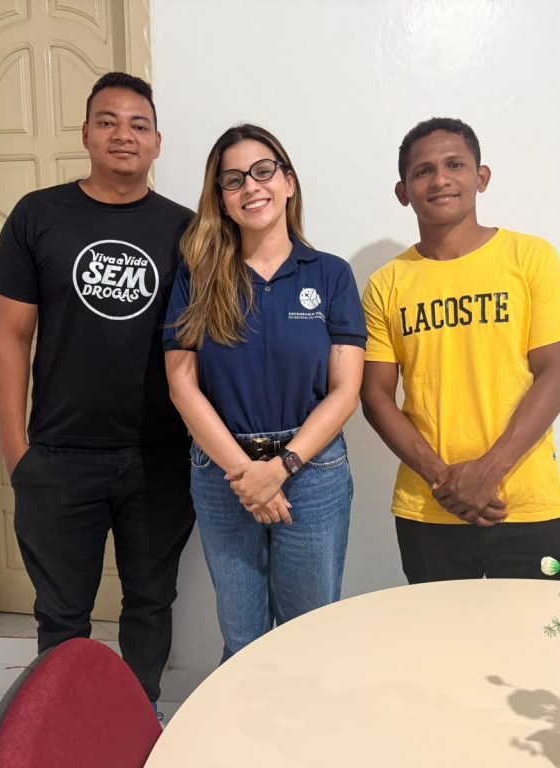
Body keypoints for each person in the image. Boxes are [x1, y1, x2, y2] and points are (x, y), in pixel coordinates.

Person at [0, 72, 194, 704]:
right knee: (61, 613)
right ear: (85, 134)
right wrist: (17, 451)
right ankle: (63, 724)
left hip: (159, 456)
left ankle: (140, 716)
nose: (123, 135)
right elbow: (10, 336)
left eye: (138, 124)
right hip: (58, 456)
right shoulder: (38, 215)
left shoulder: (188, 231)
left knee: (151, 601)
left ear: (157, 142)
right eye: (107, 121)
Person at [163, 124, 366, 660]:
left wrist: (281, 468)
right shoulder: (196, 276)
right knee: (243, 639)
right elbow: (182, 384)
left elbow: (346, 391)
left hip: (312, 471)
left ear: (289, 182)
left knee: (309, 635)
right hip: (222, 471)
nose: (251, 187)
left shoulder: (331, 275)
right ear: (221, 199)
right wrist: (245, 473)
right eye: (233, 180)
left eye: (263, 171)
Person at [361, 117, 560, 582]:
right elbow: (375, 396)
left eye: (455, 165)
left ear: (481, 177)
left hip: (526, 504)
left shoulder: (531, 258)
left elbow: (557, 373)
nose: (440, 179)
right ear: (403, 191)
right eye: (423, 171)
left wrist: (488, 472)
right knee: (439, 631)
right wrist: (442, 478)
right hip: (429, 508)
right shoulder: (386, 284)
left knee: (539, 630)